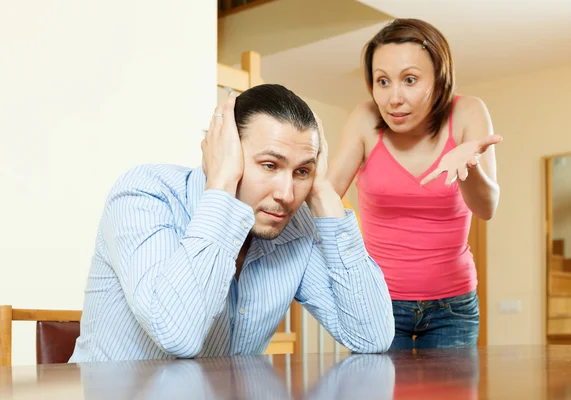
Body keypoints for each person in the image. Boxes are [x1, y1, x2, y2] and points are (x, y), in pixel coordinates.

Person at [69, 83, 394, 363]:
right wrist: (222, 184)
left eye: (302, 172)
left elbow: (372, 337)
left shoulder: (294, 227)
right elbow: (176, 334)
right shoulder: (145, 195)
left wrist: (323, 193)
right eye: (269, 165)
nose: (286, 194)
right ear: (226, 153)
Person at [327, 18, 502, 350]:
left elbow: (487, 208)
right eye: (382, 81)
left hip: (453, 306)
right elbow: (326, 195)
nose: (394, 98)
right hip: (379, 302)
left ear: (438, 79)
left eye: (409, 80)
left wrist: (470, 167)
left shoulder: (468, 112)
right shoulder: (365, 119)